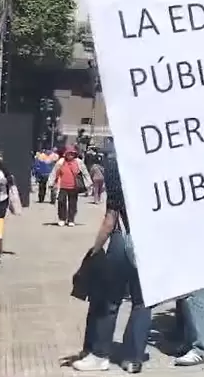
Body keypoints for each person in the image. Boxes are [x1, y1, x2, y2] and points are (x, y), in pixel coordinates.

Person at [72, 145, 151, 374]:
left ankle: (100, 354)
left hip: (123, 239)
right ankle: (133, 358)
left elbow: (111, 216)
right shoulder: (159, 166)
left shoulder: (120, 168)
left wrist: (96, 248)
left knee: (110, 300)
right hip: (151, 242)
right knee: (142, 301)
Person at [49, 147, 92, 227]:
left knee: (72, 204)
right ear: (66, 154)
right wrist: (51, 182)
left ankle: (71, 220)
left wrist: (89, 183)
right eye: (69, 153)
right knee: (61, 202)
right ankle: (62, 219)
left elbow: (85, 172)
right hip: (62, 186)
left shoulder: (78, 162)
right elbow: (54, 172)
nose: (70, 155)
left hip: (74, 187)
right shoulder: (61, 162)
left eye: (72, 154)